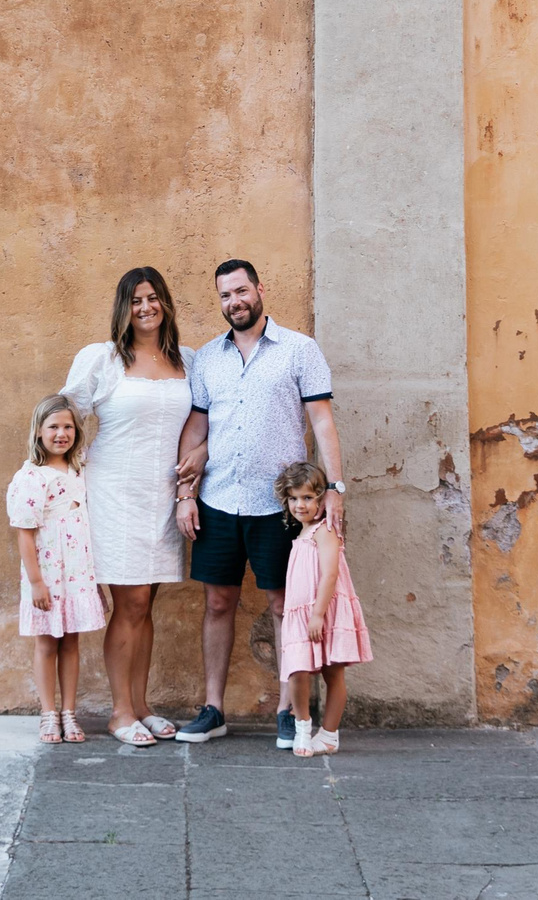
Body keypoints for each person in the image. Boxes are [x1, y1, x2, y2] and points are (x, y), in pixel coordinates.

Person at [170, 258, 348, 748]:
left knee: (282, 604)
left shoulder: (299, 350)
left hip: (280, 508)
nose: (235, 302)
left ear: (259, 289)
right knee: (218, 601)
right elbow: (198, 428)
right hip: (219, 500)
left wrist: (335, 487)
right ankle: (213, 709)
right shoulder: (207, 358)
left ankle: (290, 710)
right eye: (226, 295)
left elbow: (322, 423)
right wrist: (186, 493)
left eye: (242, 291)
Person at [59, 268, 197, 747]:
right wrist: (58, 478)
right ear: (124, 306)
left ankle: (142, 705)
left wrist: (194, 464)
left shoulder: (187, 360)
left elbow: (199, 424)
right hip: (115, 492)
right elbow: (65, 414)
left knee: (146, 603)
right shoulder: (102, 359)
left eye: (154, 298)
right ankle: (120, 713)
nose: (145, 307)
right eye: (136, 300)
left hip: (165, 497)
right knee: (130, 602)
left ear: (165, 304)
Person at [7, 394, 107, 745]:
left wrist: (93, 583)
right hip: (47, 577)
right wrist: (36, 582)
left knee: (72, 643)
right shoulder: (31, 477)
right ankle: (48, 713)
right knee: (47, 643)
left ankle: (69, 711)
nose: (61, 433)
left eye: (67, 426)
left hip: (77, 574)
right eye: (53, 427)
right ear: (38, 431)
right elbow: (24, 533)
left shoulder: (79, 469)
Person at [274, 460, 370, 756]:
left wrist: (317, 614)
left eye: (307, 497)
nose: (299, 505)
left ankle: (328, 735)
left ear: (321, 498)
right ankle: (302, 726)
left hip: (324, 611)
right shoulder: (300, 534)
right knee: (297, 671)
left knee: (333, 673)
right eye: (293, 498)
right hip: (300, 613)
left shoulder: (324, 530)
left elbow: (330, 574)